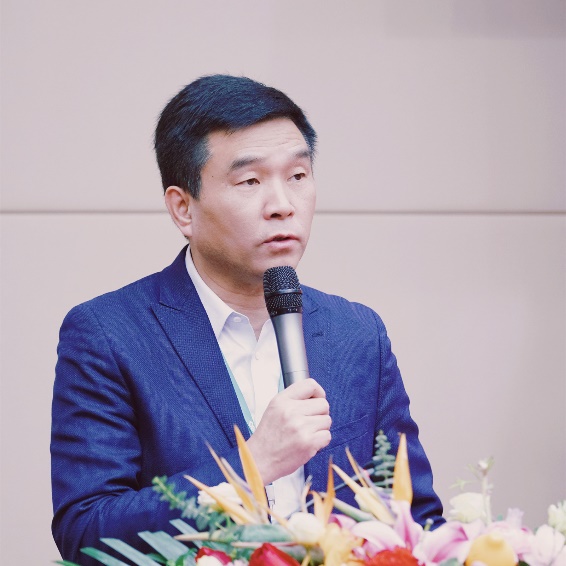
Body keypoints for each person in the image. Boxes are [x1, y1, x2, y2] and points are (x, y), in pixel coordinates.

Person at [51, 75, 443, 565]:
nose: (282, 206)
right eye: (250, 182)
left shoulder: (358, 333)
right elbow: (86, 531)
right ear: (183, 208)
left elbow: (416, 519)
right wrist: (251, 466)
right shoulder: (109, 334)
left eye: (297, 176)